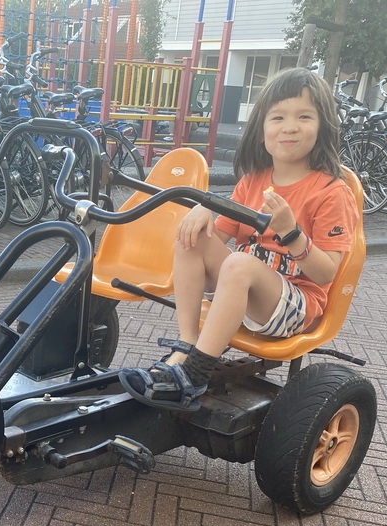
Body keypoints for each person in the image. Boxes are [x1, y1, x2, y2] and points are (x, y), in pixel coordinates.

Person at [118, 67, 357, 411]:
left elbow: (326, 274)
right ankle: (187, 344)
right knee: (191, 236)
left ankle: (194, 376)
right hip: (244, 291)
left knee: (241, 263)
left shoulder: (331, 192)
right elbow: (219, 236)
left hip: (295, 306)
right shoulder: (253, 181)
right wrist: (203, 212)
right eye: (278, 117)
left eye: (304, 116)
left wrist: (291, 232)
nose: (289, 126)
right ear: (262, 131)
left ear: (322, 128)